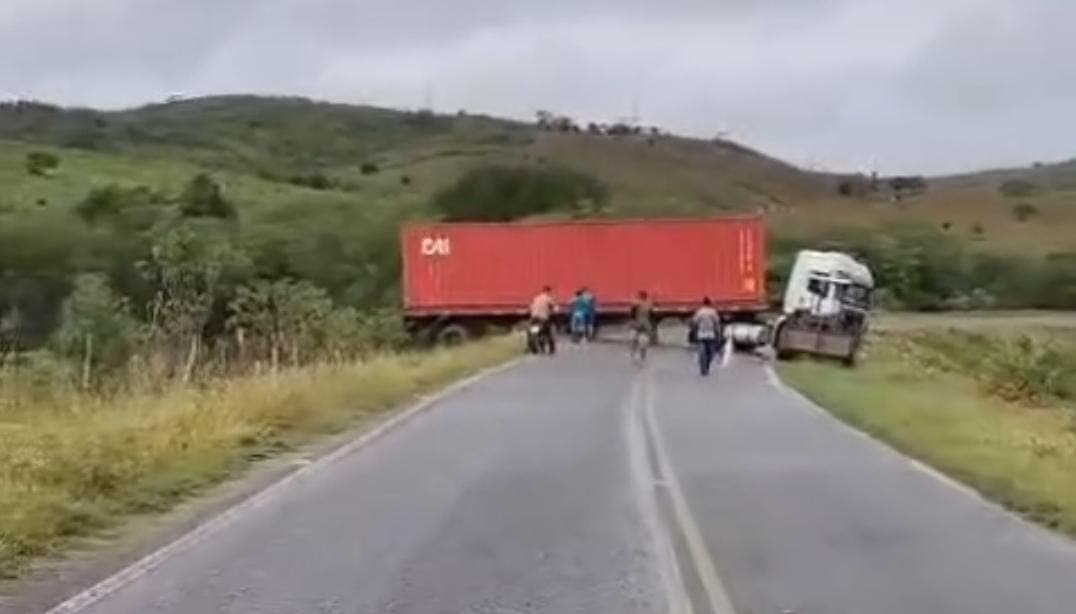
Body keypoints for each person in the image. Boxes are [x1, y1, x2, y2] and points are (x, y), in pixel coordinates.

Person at [692, 297, 722, 376]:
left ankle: (703, 368)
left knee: (701, 352)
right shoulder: (713, 312)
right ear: (710, 303)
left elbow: (695, 323)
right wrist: (718, 335)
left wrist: (694, 333)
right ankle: (707, 366)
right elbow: (717, 324)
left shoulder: (699, 312)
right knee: (711, 353)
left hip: (701, 334)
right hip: (710, 335)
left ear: (703, 303)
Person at [529, 286, 557, 354]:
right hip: (543, 319)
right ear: (548, 291)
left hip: (534, 319)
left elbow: (531, 307)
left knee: (533, 332)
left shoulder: (536, 298)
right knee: (549, 333)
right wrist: (554, 310)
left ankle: (534, 347)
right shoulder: (548, 298)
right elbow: (554, 308)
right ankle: (551, 349)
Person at [628, 291, 655, 361]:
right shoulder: (649, 305)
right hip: (645, 325)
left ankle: (633, 354)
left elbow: (631, 314)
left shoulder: (636, 304)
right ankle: (642, 356)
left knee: (634, 340)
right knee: (643, 342)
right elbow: (652, 316)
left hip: (638, 324)